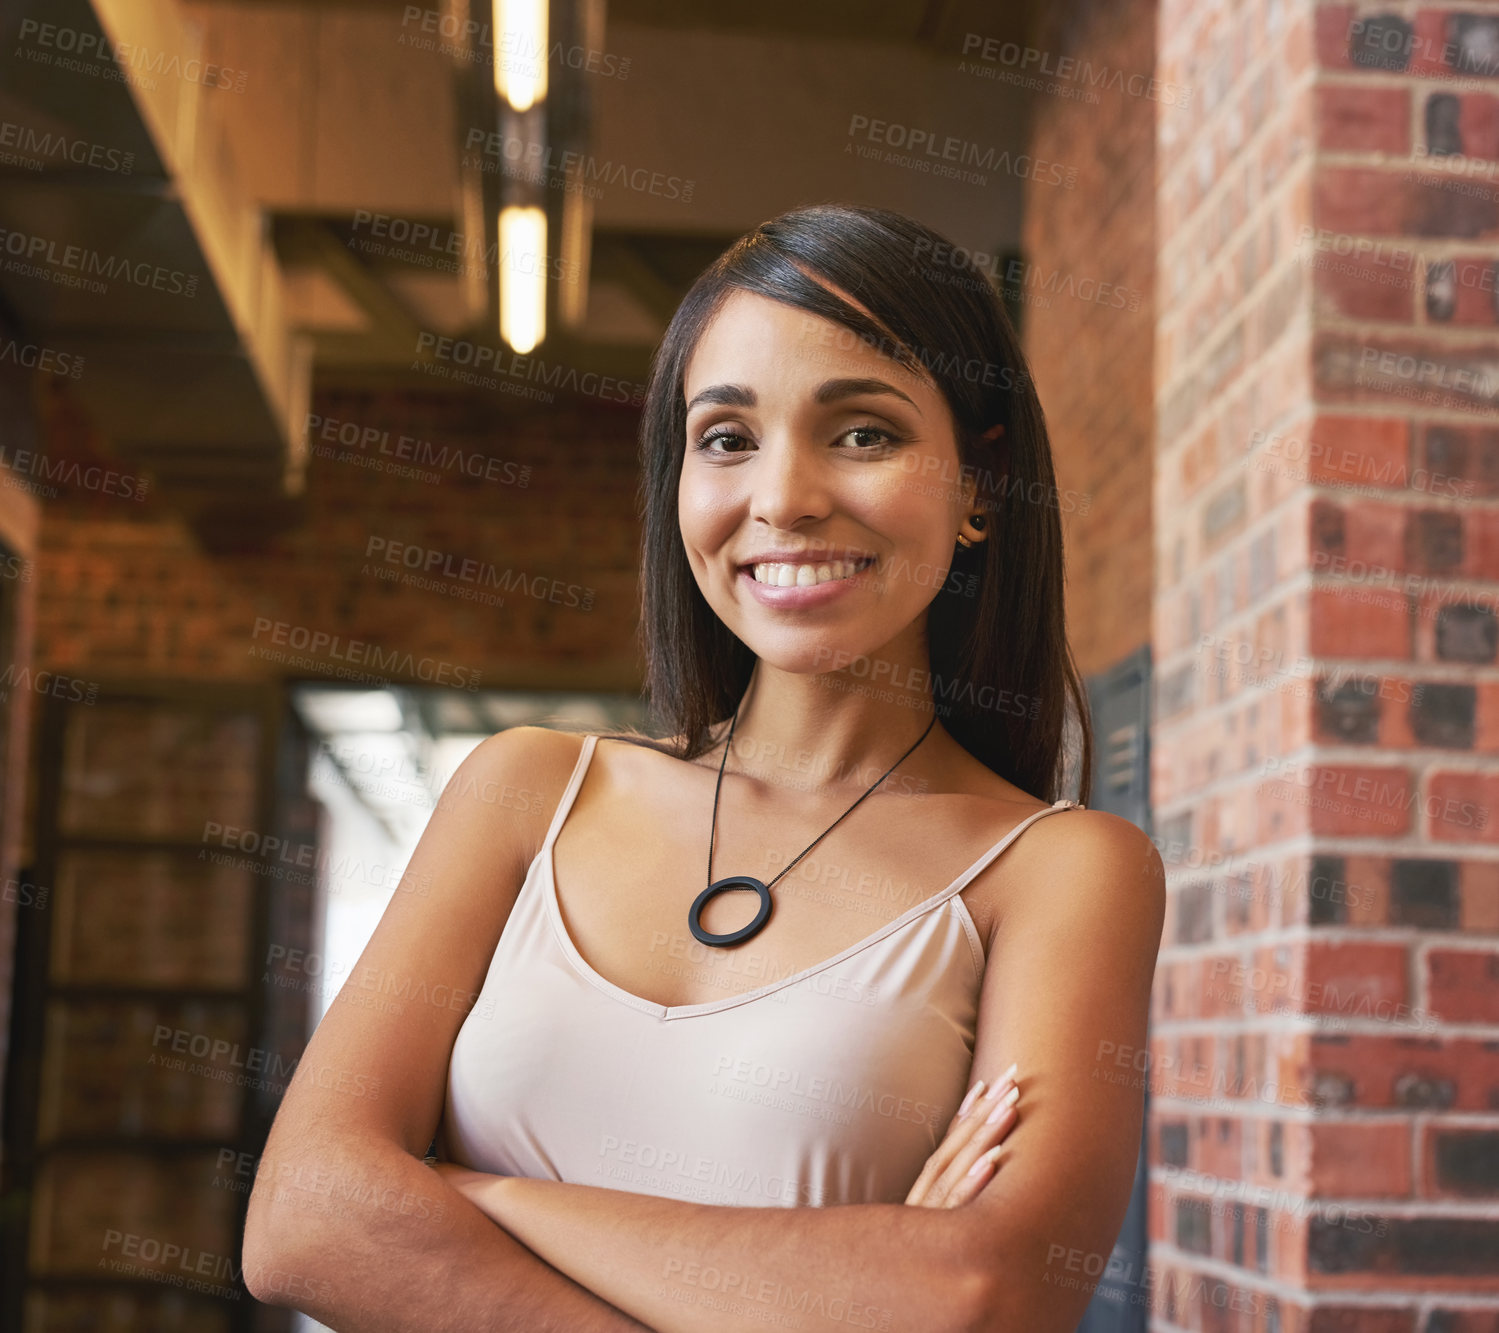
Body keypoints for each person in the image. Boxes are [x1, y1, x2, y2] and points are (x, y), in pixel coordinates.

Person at [243, 202, 1165, 1333]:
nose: (782, 498)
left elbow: (981, 1291)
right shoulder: (527, 791)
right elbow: (300, 1217)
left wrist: (469, 1194)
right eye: (726, 439)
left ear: (980, 486)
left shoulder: (1060, 871)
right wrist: (836, 1283)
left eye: (862, 433)